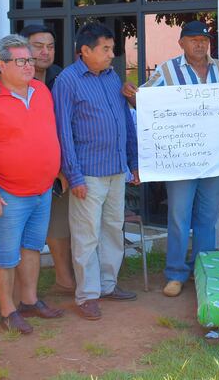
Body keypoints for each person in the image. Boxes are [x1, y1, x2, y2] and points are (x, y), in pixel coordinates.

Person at [122, 20, 219, 298]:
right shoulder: (167, 70)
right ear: (181, 42)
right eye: (194, 39)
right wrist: (134, 98)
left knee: (208, 218)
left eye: (204, 40)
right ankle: (175, 274)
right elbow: (145, 101)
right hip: (181, 159)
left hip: (214, 158)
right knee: (179, 217)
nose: (200, 44)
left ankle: (202, 270)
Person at [0, 24, 75, 294]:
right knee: (6, 254)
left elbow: (52, 131)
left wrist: (59, 167)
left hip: (43, 187)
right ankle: (8, 311)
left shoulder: (44, 88)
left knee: (33, 246)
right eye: (24, 59)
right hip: (8, 191)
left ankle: (30, 301)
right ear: (2, 65)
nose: (31, 62)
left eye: (31, 59)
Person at [52, 23, 139, 320]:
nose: (111, 55)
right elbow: (63, 131)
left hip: (116, 169)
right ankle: (87, 294)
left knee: (113, 229)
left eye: (111, 49)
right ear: (85, 50)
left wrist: (133, 162)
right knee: (87, 235)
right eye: (105, 49)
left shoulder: (113, 76)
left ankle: (107, 284)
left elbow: (125, 121)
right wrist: (73, 175)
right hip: (87, 173)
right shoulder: (68, 81)